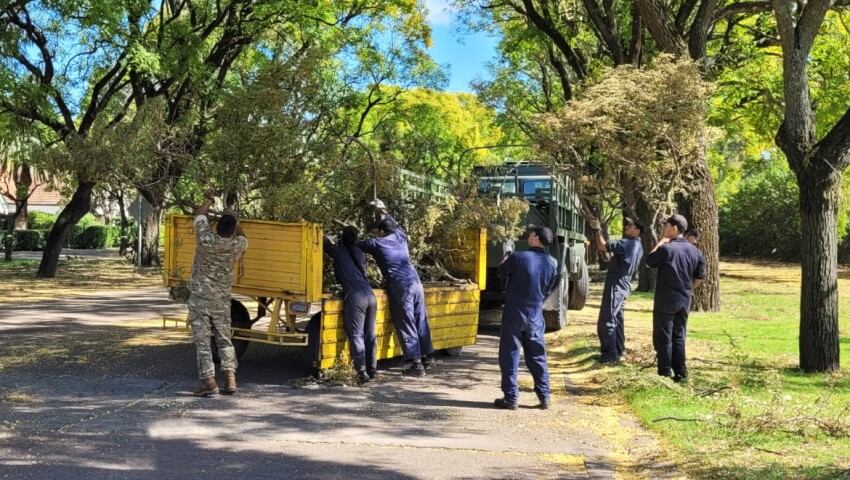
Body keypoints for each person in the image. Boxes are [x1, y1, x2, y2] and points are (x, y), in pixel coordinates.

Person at [358, 199, 435, 377]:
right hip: (416, 282)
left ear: (382, 232)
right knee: (420, 318)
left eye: (379, 231)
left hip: (401, 286)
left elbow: (356, 244)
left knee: (406, 320)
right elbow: (394, 223)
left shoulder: (377, 243)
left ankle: (415, 364)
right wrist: (382, 209)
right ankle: (427, 356)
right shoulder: (400, 236)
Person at [188, 191, 248, 397]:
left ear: (216, 226)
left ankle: (209, 383)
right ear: (231, 231)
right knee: (224, 339)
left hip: (200, 299)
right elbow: (242, 235)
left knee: (203, 341)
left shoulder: (205, 239)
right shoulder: (236, 246)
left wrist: (209, 200)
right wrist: (233, 217)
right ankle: (230, 380)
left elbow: (200, 214)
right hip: (222, 301)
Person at [494, 226, 559, 410]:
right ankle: (544, 397)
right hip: (536, 314)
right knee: (537, 355)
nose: (528, 237)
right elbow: (548, 290)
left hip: (515, 311)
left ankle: (511, 398)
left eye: (531, 235)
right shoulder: (552, 263)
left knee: (510, 354)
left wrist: (507, 253)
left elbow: (501, 271)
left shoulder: (518, 257)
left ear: (536, 239)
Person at [645, 214, 705, 383]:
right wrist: (687, 289)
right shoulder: (696, 252)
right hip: (684, 299)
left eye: (666, 226)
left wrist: (659, 243)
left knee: (664, 337)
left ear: (675, 228)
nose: (664, 229)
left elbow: (649, 262)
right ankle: (681, 373)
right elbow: (700, 277)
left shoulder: (666, 249)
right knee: (679, 336)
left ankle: (664, 373)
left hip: (666, 299)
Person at [324, 226, 378, 385]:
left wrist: (324, 233)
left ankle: (361, 372)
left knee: (356, 334)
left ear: (342, 237)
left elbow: (326, 245)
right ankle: (372, 369)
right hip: (370, 294)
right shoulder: (359, 252)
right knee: (370, 333)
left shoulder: (339, 252)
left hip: (355, 295)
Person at [589, 216, 644, 364]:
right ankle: (619, 350)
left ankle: (610, 355)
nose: (627, 226)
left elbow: (602, 246)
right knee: (617, 318)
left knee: (607, 319)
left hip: (616, 284)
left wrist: (597, 229)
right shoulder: (638, 245)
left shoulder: (627, 243)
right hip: (624, 283)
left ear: (637, 230)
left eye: (630, 225)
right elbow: (609, 255)